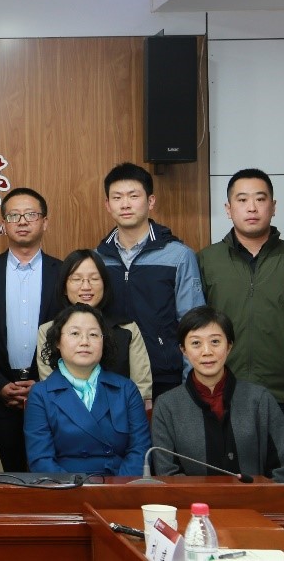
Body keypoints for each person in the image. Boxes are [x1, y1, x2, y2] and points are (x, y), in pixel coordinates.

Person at [197, 168, 284, 482]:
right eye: (242, 200)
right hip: (223, 394)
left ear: (273, 206)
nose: (252, 207)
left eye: (260, 199)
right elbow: (193, 328)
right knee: (227, 487)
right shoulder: (206, 261)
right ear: (228, 209)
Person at [0, 187, 62, 472]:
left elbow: (68, 335)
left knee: (47, 476)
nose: (22, 221)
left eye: (31, 214)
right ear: (3, 223)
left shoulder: (63, 273)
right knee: (4, 477)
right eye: (14, 215)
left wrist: (44, 382)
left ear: (44, 222)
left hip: (50, 392)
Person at [95, 162, 204, 400]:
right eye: (117, 197)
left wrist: (191, 385)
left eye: (133, 196)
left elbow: (193, 325)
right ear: (108, 205)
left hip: (165, 378)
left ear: (150, 201)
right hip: (108, 377)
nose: (125, 204)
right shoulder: (97, 259)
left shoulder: (178, 256)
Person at [151, 307, 284, 482]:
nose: (207, 351)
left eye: (215, 342)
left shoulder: (259, 400)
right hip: (191, 500)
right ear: (183, 350)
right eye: (196, 343)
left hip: (255, 499)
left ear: (229, 346)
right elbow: (167, 474)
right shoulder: (167, 406)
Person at [23, 304, 150, 476]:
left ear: (103, 341)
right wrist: (73, 487)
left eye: (93, 335)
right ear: (57, 341)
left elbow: (140, 451)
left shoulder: (126, 389)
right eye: (75, 333)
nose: (84, 342)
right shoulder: (41, 394)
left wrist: (118, 487)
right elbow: (41, 460)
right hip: (63, 487)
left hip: (117, 485)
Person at [34, 249, 152, 404]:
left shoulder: (127, 329)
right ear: (64, 287)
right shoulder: (48, 330)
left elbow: (142, 389)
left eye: (94, 279)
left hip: (121, 414)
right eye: (77, 279)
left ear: (105, 285)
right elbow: (49, 389)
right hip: (63, 414)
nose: (86, 286)